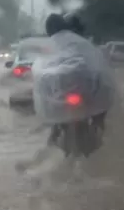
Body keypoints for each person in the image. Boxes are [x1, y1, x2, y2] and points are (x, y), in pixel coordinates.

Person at [41, 12, 112, 148]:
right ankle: (98, 134)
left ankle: (53, 140)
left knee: (57, 124)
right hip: (84, 93)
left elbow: (45, 74)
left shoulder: (55, 47)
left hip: (72, 94)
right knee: (98, 118)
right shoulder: (86, 46)